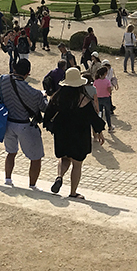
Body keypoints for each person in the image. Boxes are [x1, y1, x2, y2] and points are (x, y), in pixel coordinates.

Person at [43, 66, 106, 200]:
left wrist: (51, 127)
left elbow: (48, 115)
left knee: (64, 158)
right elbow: (93, 117)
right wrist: (99, 131)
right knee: (77, 164)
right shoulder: (84, 99)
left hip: (61, 133)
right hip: (79, 135)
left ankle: (59, 177)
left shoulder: (57, 97)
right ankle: (73, 192)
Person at [2, 58, 48, 189]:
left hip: (7, 122)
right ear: (28, 73)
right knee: (36, 157)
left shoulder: (3, 80)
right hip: (24, 124)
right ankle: (32, 185)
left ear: (14, 69)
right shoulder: (34, 93)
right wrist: (44, 97)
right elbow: (44, 108)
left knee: (11, 152)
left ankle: (8, 179)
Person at [93, 65, 115, 132]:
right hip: (106, 98)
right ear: (105, 73)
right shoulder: (107, 81)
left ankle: (99, 128)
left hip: (99, 98)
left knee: (100, 113)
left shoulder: (96, 81)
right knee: (107, 113)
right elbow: (109, 90)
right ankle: (109, 127)